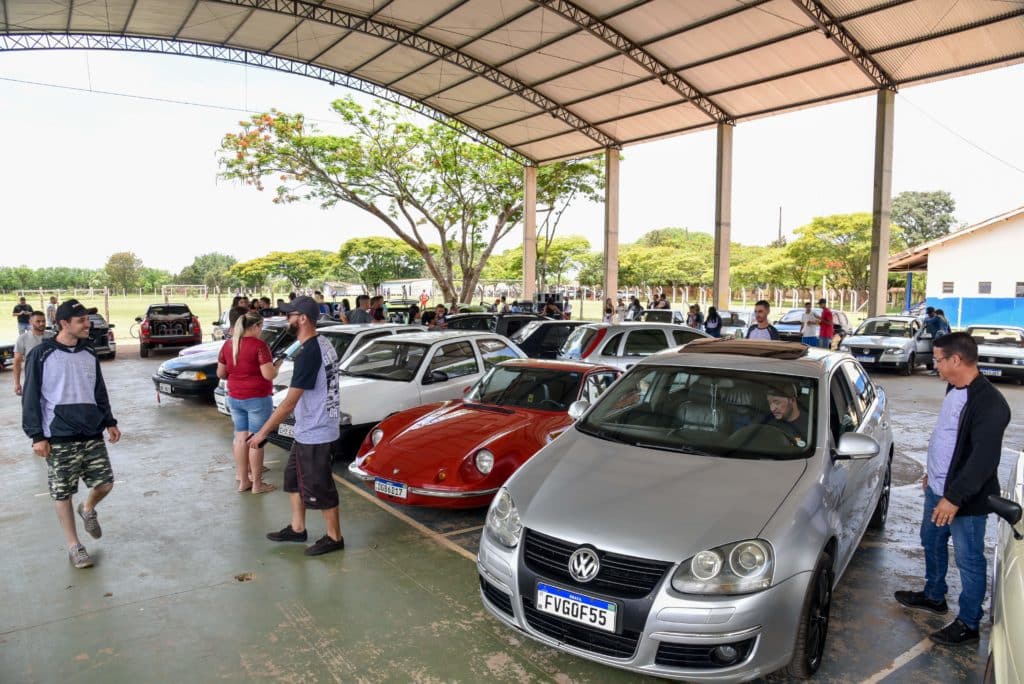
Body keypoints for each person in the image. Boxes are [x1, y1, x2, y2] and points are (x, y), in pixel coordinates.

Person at [894, 332, 1010, 646]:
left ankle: (969, 624)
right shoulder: (953, 388)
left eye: (938, 359)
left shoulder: (990, 404)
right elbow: (948, 437)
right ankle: (934, 596)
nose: (935, 364)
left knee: (969, 558)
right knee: (930, 541)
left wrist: (953, 498)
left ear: (955, 360)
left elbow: (981, 463)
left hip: (964, 500)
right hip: (938, 488)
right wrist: (933, 474)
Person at [21, 299, 121, 569]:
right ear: (64, 324)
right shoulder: (41, 354)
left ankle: (87, 508)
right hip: (58, 435)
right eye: (82, 321)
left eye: (87, 319)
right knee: (62, 493)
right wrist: (36, 436)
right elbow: (30, 397)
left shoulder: (89, 352)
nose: (88, 324)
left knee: (105, 484)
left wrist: (109, 420)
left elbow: (98, 389)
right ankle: (74, 546)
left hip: (91, 431)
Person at [249, 297, 344, 556]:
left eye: (289, 315)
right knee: (292, 481)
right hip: (311, 430)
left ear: (302, 318)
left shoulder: (309, 354)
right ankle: (297, 528)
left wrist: (262, 432)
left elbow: (289, 403)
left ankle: (334, 538)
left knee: (320, 486)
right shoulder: (321, 343)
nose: (286, 320)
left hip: (317, 432)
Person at [217, 311, 280, 494]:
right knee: (256, 440)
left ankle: (243, 480)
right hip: (257, 397)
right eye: (261, 327)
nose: (261, 330)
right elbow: (268, 374)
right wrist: (276, 367)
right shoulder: (260, 346)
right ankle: (257, 484)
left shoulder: (229, 344)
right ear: (255, 326)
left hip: (235, 396)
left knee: (240, 438)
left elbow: (221, 373)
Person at [13, 310, 54, 395]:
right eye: (38, 321)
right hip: (33, 379)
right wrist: (17, 383)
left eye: (43, 321)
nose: (42, 323)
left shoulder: (53, 337)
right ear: (30, 322)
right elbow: (17, 362)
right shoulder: (22, 339)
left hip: (53, 379)